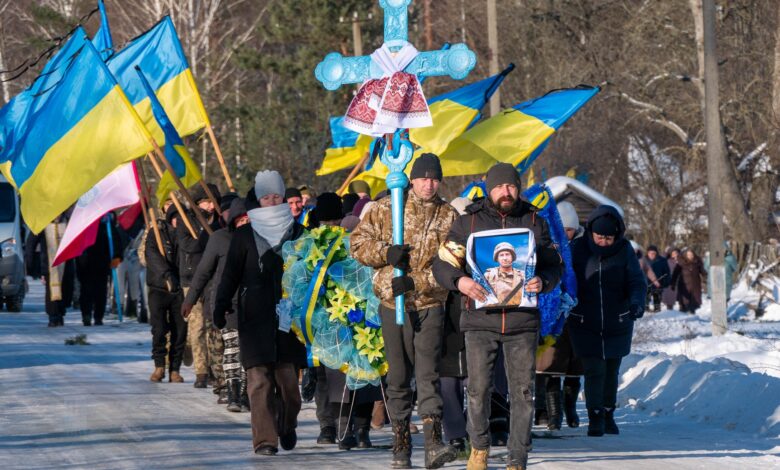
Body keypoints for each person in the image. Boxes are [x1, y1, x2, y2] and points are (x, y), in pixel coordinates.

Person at [433, 162, 563, 470]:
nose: (506, 192)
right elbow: (442, 265)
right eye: (499, 187)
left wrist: (542, 281)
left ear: (518, 188)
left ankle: (518, 455)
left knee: (523, 392)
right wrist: (460, 281)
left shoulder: (534, 221)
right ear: (489, 189)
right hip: (480, 321)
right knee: (477, 390)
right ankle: (479, 447)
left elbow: (553, 264)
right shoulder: (468, 224)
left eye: (511, 186)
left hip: (522, 322)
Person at [351, 153, 460, 469]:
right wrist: (386, 252)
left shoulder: (448, 216)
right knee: (398, 376)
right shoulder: (387, 208)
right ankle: (401, 443)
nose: (429, 184)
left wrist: (416, 281)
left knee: (428, 375)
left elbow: (452, 264)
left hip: (428, 305)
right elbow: (358, 245)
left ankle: (433, 443)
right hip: (392, 305)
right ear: (412, 179)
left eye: (434, 178)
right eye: (423, 178)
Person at [214, 170, 305, 456]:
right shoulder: (243, 235)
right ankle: (265, 440)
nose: (271, 200)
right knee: (259, 382)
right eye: (266, 196)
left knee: (289, 385)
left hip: (290, 320)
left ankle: (286, 423)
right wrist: (220, 304)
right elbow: (229, 274)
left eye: (276, 195)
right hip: (254, 317)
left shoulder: (300, 233)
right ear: (258, 199)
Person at [568, 205, 646, 437]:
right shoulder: (577, 248)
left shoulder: (625, 251)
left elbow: (636, 280)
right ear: (591, 231)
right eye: (599, 237)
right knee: (594, 370)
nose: (603, 242)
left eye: (608, 238)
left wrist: (636, 303)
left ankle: (609, 414)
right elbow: (565, 278)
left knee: (612, 370)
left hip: (618, 320)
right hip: (584, 321)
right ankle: (595, 417)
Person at [182, 198, 249, 406]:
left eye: (248, 219)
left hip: (252, 303)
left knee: (247, 351)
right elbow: (203, 272)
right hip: (226, 302)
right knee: (231, 348)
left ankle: (246, 393)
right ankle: (232, 392)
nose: (244, 223)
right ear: (233, 221)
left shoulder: (258, 239)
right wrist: (190, 300)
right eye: (240, 220)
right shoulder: (219, 239)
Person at [535, 201, 584, 431]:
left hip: (578, 317)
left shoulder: (581, 249)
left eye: (570, 229)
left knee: (575, 368)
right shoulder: (548, 247)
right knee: (551, 367)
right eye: (562, 228)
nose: (566, 233)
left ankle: (569, 407)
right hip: (554, 316)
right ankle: (554, 414)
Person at [177, 183, 222, 388]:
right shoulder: (187, 220)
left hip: (214, 280)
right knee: (197, 327)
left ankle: (215, 369)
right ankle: (201, 371)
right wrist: (208, 242)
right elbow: (187, 245)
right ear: (198, 203)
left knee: (213, 327)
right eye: (206, 201)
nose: (210, 206)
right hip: (192, 278)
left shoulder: (221, 220)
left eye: (213, 201)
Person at [146, 204, 187, 383]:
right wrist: (166, 274)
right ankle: (159, 366)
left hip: (180, 290)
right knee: (159, 329)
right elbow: (151, 254)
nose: (178, 221)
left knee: (180, 330)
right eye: (175, 217)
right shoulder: (156, 231)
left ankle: (175, 369)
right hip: (159, 288)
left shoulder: (187, 233)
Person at [25, 216, 75, 327]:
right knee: (51, 290)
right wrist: (30, 264)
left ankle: (61, 313)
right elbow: (31, 243)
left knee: (65, 290)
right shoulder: (43, 223)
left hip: (66, 264)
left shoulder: (68, 222)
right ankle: (53, 316)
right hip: (48, 264)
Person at [75, 214, 122, 326]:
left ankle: (98, 317)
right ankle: (86, 315)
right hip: (85, 263)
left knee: (100, 291)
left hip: (102, 262)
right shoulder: (82, 221)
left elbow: (115, 240)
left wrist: (117, 256)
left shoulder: (106, 222)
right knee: (86, 291)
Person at [671, 248, 707, 314]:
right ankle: (683, 313)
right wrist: (673, 283)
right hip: (684, 285)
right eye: (689, 255)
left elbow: (702, 271)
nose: (690, 256)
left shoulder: (697, 262)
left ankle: (692, 313)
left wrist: (705, 278)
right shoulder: (681, 263)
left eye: (691, 254)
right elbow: (675, 274)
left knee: (694, 300)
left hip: (695, 285)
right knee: (684, 300)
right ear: (686, 255)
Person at [645, 245, 671, 312]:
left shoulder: (662, 260)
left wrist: (666, 282)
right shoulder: (643, 260)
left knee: (657, 297)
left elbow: (667, 272)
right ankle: (646, 309)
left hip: (658, 282)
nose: (652, 254)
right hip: (646, 282)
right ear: (647, 253)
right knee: (645, 297)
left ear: (656, 253)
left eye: (653, 253)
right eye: (650, 253)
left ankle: (657, 310)